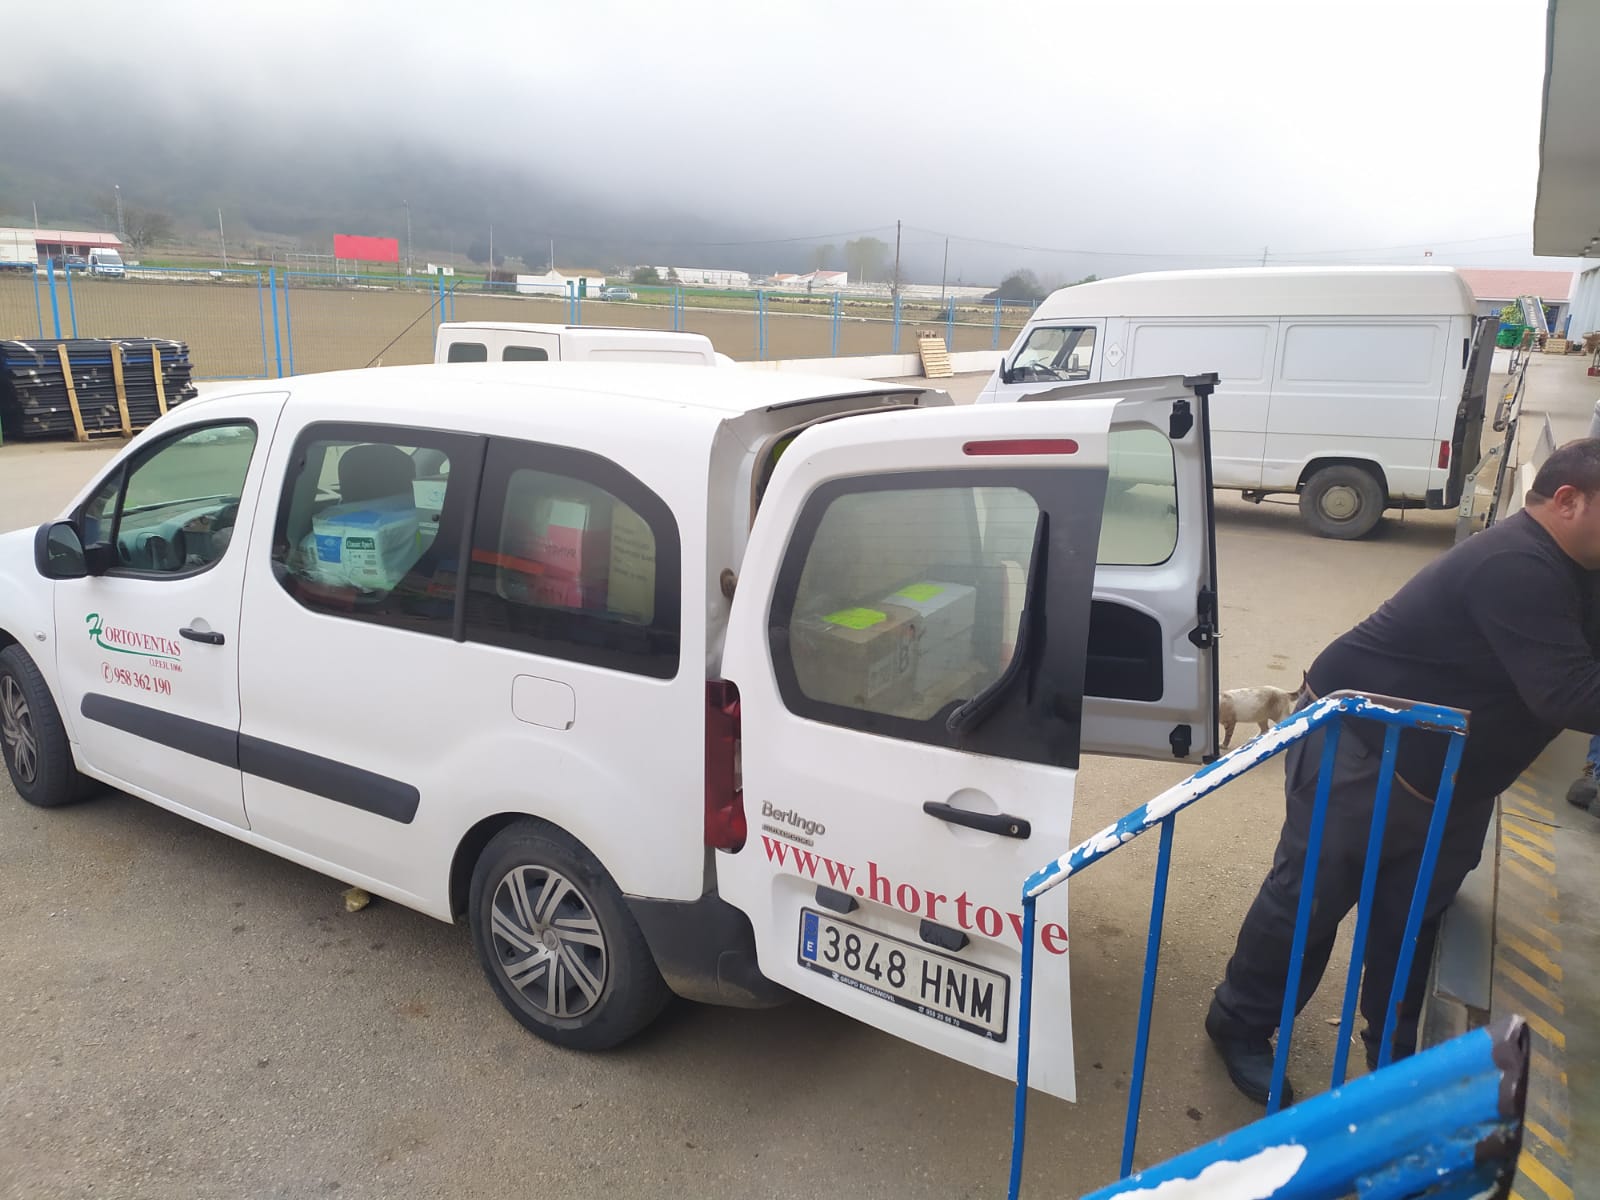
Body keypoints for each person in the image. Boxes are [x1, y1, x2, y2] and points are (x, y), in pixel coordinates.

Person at [1205, 439, 1600, 1105]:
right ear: (1568, 501)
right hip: (1361, 751)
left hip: (1451, 778)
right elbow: (1565, 693)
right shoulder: (1516, 563)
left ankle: (1390, 1054)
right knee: (1309, 900)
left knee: (1413, 920)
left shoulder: (1578, 566)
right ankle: (1238, 1023)